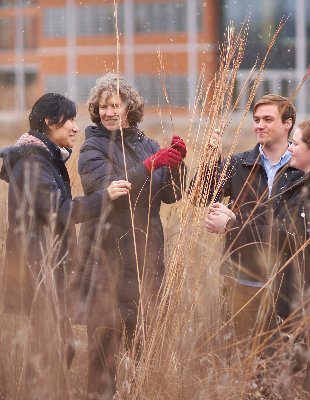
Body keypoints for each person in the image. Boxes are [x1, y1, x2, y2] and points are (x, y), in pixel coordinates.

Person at [209, 119, 310, 393]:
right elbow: (280, 228)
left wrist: (230, 226)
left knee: (305, 381)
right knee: (283, 375)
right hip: (297, 294)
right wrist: (234, 218)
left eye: (296, 143)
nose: (290, 148)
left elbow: (287, 237)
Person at [0, 93, 130, 399]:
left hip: (46, 271)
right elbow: (61, 212)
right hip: (39, 272)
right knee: (56, 350)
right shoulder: (33, 163)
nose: (75, 127)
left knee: (57, 349)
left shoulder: (42, 158)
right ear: (49, 122)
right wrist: (105, 197)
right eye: (69, 119)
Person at [74, 72, 186, 399]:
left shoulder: (147, 143)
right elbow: (109, 190)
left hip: (145, 262)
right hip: (104, 264)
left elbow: (171, 195)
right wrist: (149, 166)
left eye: (115, 105)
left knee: (142, 358)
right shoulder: (92, 147)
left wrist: (177, 165)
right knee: (102, 360)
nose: (109, 112)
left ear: (129, 107)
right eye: (103, 106)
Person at [203, 94, 303, 341]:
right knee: (243, 354)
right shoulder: (239, 164)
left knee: (282, 359)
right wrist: (210, 161)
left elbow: (296, 228)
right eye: (257, 119)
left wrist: (232, 223)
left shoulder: (301, 168)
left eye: (268, 119)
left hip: (286, 279)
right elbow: (201, 195)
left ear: (287, 123)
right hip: (242, 277)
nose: (259, 125)